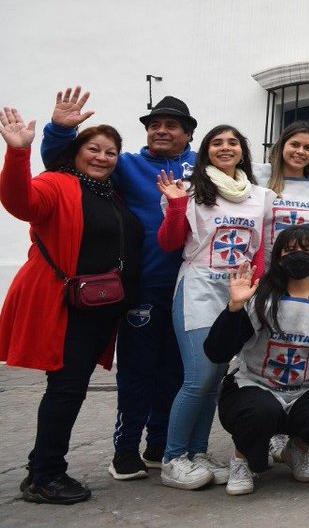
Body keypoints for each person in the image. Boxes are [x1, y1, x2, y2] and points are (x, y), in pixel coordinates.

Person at [40, 88, 196, 481]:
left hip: (189, 293)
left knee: (174, 374)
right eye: (154, 125)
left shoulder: (203, 166)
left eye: (171, 125)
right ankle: (125, 451)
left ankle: (159, 443)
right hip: (140, 289)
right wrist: (59, 130)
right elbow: (62, 163)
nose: (161, 131)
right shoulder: (126, 165)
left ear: (189, 134)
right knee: (137, 374)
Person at [0, 111, 143, 504]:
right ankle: (46, 475)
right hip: (67, 308)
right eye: (93, 149)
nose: (102, 157)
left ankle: (41, 468)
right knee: (65, 390)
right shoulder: (56, 184)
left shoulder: (112, 193)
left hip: (100, 307)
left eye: (111, 152)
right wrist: (18, 154)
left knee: (71, 389)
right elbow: (20, 202)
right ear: (75, 153)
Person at [156, 124, 273, 490]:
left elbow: (260, 250)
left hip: (236, 293)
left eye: (233, 142)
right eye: (218, 142)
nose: (226, 148)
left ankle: (197, 452)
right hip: (198, 288)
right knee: (198, 378)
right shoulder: (188, 191)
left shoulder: (261, 196)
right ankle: (172, 458)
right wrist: (176, 206)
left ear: (243, 151)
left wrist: (256, 291)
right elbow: (169, 242)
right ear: (206, 149)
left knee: (214, 381)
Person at [204, 227, 309, 495]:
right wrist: (234, 309)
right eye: (290, 251)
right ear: (278, 258)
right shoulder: (260, 299)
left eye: (307, 250)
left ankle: (297, 448)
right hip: (255, 385)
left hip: (307, 389)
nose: (299, 256)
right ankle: (242, 458)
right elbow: (216, 351)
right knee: (260, 412)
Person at [255, 121, 309, 262]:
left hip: (304, 272)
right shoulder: (258, 177)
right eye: (294, 145)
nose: (300, 151)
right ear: (282, 146)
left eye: (307, 148)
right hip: (266, 271)